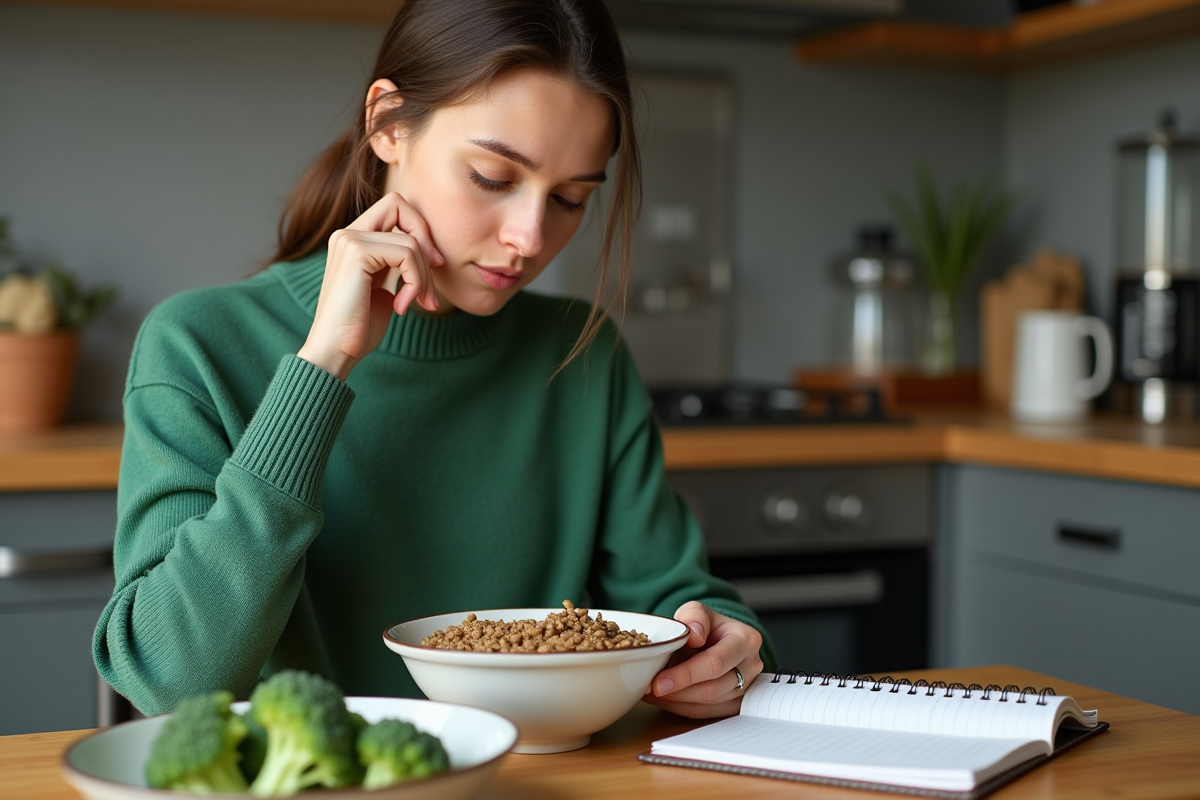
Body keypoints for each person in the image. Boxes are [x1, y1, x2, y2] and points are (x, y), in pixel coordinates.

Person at [93, 0, 777, 720]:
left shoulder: (583, 354)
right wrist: (323, 364)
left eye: (572, 199)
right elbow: (170, 678)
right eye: (492, 176)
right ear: (388, 124)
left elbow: (670, 599)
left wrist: (723, 643)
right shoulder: (198, 343)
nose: (529, 236)